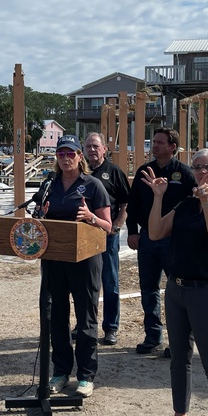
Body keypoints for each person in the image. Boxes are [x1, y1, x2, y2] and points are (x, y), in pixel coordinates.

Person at [143, 148, 208, 416]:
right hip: (177, 289)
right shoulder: (184, 204)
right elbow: (155, 233)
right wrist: (158, 197)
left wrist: (207, 203)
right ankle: (180, 414)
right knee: (179, 357)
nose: (200, 173)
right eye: (196, 168)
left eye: (207, 167)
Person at [39, 135, 112, 398]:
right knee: (56, 317)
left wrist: (91, 217)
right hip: (55, 260)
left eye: (71, 154)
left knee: (85, 319)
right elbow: (40, 220)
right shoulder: (49, 185)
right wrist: (41, 214)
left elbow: (108, 226)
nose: (66, 158)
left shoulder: (93, 186)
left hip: (85, 261)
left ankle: (85, 375)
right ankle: (60, 371)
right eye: (61, 154)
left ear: (81, 157)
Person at [126, 128, 196, 354]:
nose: (154, 146)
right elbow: (133, 204)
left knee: (178, 290)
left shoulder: (184, 173)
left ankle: (179, 340)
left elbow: (192, 206)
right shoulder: (144, 172)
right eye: (153, 142)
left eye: (159, 142)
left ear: (172, 147)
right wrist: (132, 232)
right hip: (147, 239)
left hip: (174, 241)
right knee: (149, 289)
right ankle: (153, 336)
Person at [83, 132, 129, 345]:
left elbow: (126, 202)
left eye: (95, 146)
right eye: (88, 146)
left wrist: (117, 225)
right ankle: (84, 324)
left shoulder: (113, 172)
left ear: (104, 149)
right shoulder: (79, 171)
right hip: (83, 237)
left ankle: (111, 327)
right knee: (84, 284)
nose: (92, 150)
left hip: (106, 235)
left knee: (109, 282)